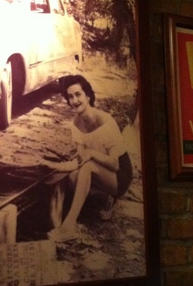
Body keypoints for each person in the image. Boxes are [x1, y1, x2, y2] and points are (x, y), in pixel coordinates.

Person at [44, 74, 133, 242]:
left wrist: (91, 154)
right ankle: (103, 197)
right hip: (98, 170)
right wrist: (55, 167)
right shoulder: (76, 124)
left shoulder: (106, 122)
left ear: (88, 96)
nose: (75, 100)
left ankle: (69, 226)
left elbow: (114, 165)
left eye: (78, 94)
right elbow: (79, 159)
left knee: (88, 167)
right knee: (71, 177)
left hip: (120, 175)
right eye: (70, 97)